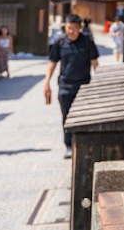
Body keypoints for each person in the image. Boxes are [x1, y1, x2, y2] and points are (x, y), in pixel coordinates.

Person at [43, 14, 99, 159]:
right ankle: (68, 145)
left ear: (80, 28)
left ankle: (83, 144)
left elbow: (95, 64)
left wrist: (100, 82)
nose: (71, 31)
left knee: (84, 116)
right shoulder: (61, 42)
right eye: (69, 28)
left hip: (84, 86)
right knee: (66, 117)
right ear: (65, 27)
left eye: (74, 28)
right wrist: (46, 82)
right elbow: (53, 63)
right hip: (65, 86)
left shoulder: (87, 42)